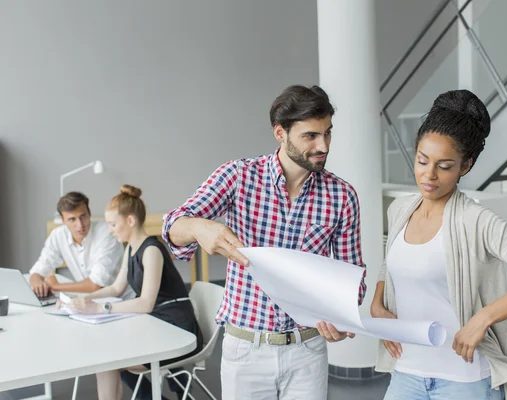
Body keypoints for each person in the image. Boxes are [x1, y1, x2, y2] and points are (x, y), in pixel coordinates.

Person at [162, 84, 366, 400]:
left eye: (327, 133)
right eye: (310, 136)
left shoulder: (342, 196)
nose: (323, 145)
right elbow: (173, 227)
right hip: (246, 350)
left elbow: (353, 275)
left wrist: (340, 313)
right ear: (280, 133)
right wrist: (198, 227)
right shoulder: (238, 177)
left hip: (307, 350)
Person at [370, 90, 507, 400]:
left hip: (464, 380)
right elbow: (391, 264)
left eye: (445, 166)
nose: (429, 175)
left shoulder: (477, 220)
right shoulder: (400, 209)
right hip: (407, 371)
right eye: (422, 161)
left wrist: (483, 318)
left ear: (465, 166)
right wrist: (377, 303)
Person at [66, 185, 203, 400]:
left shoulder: (151, 251)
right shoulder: (131, 248)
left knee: (108, 360)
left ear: (130, 221)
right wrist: (82, 299)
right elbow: (116, 288)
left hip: (176, 329)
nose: (110, 230)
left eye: (113, 224)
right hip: (157, 323)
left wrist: (100, 308)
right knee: (105, 359)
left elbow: (145, 303)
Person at [29, 191, 124, 297]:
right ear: (63, 220)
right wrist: (37, 283)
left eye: (83, 216)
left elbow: (96, 284)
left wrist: (56, 286)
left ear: (89, 213)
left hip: (122, 302)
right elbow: (38, 270)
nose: (80, 225)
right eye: (72, 219)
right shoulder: (58, 235)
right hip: (90, 302)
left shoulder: (107, 233)